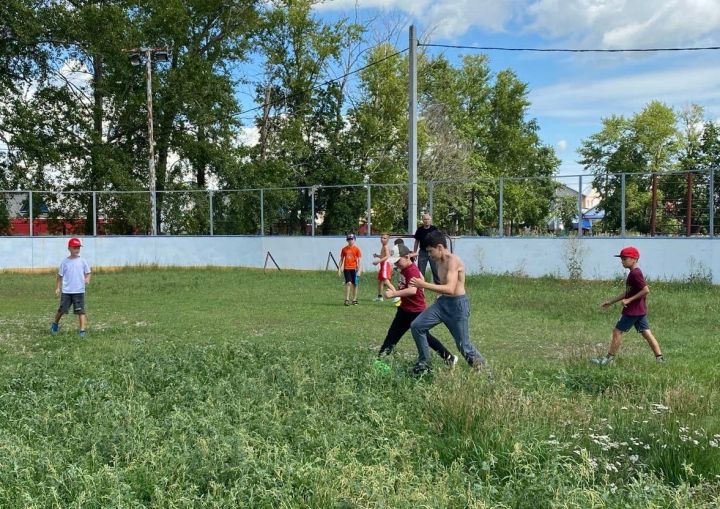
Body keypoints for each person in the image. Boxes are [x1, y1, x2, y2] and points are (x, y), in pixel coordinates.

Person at [409, 230, 487, 374]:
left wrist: (423, 284)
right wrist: (438, 294)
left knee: (464, 346)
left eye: (430, 251)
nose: (429, 255)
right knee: (417, 326)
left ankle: (486, 374)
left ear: (439, 247)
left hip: (457, 306)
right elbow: (442, 283)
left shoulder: (453, 261)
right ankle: (424, 364)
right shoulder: (438, 261)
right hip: (442, 304)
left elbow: (451, 288)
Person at [378, 244, 458, 367]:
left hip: (416, 311)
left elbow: (412, 291)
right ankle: (380, 360)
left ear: (406, 257)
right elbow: (420, 279)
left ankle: (448, 358)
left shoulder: (411, 270)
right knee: (393, 334)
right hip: (404, 310)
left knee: (426, 337)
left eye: (398, 261)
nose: (396, 264)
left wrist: (394, 294)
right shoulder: (405, 269)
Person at [592, 246, 664, 366]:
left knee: (617, 332)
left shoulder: (635, 274)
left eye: (625, 259)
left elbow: (646, 290)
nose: (622, 261)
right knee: (646, 333)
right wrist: (611, 301)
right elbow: (628, 292)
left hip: (632, 311)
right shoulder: (633, 273)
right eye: (622, 259)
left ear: (634, 259)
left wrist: (629, 300)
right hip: (640, 310)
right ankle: (660, 359)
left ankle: (608, 360)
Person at [51, 237, 91, 337]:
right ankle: (55, 324)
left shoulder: (83, 261)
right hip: (67, 292)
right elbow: (59, 276)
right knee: (62, 310)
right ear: (69, 248)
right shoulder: (65, 262)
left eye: (78, 247)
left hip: (79, 291)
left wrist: (87, 279)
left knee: (81, 311)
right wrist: (57, 288)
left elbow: (88, 272)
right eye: (74, 247)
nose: (77, 249)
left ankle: (82, 331)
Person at [413, 213, 440, 284]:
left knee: (436, 270)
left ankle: (439, 287)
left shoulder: (434, 229)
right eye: (425, 219)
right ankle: (420, 286)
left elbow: (438, 240)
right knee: (420, 271)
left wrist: (438, 252)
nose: (426, 221)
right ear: (422, 220)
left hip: (433, 252)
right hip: (422, 252)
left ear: (430, 220)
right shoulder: (420, 230)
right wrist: (414, 252)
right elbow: (416, 242)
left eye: (428, 219)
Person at [372, 233, 397, 301]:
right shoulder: (383, 246)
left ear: (388, 239)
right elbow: (384, 256)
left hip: (385, 265)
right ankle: (380, 297)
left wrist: (378, 261)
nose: (382, 239)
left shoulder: (386, 246)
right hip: (383, 265)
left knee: (386, 281)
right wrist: (377, 256)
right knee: (380, 281)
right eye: (381, 238)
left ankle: (396, 296)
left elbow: (387, 256)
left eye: (384, 238)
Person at [338, 233, 362, 305]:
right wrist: (339, 268)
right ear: (347, 240)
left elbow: (359, 260)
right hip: (347, 268)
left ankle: (354, 299)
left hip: (354, 269)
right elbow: (342, 259)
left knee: (355, 284)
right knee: (348, 283)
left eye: (351, 239)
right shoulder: (344, 249)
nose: (350, 241)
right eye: (349, 239)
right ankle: (347, 299)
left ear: (354, 240)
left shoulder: (357, 249)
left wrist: (359, 269)